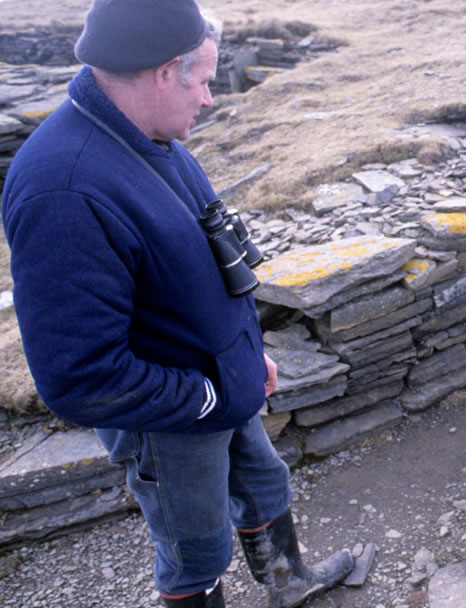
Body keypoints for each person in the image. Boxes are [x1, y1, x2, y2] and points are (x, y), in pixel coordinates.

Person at [1, 1, 356, 606]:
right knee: (195, 550)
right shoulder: (63, 189)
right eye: (204, 79)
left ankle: (287, 582)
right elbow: (78, 377)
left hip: (217, 378)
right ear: (166, 71)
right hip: (169, 415)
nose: (210, 99)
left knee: (263, 483)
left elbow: (204, 265)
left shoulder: (147, 138)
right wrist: (205, 396)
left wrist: (247, 356)